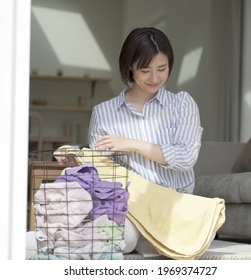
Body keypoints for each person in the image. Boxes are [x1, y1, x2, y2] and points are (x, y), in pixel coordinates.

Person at [87, 27, 203, 253]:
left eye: (162, 68)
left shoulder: (182, 104)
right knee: (122, 239)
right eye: (145, 70)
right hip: (130, 205)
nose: (155, 78)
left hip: (174, 203)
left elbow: (186, 158)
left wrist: (130, 144)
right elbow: (100, 172)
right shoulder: (103, 113)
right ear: (130, 66)